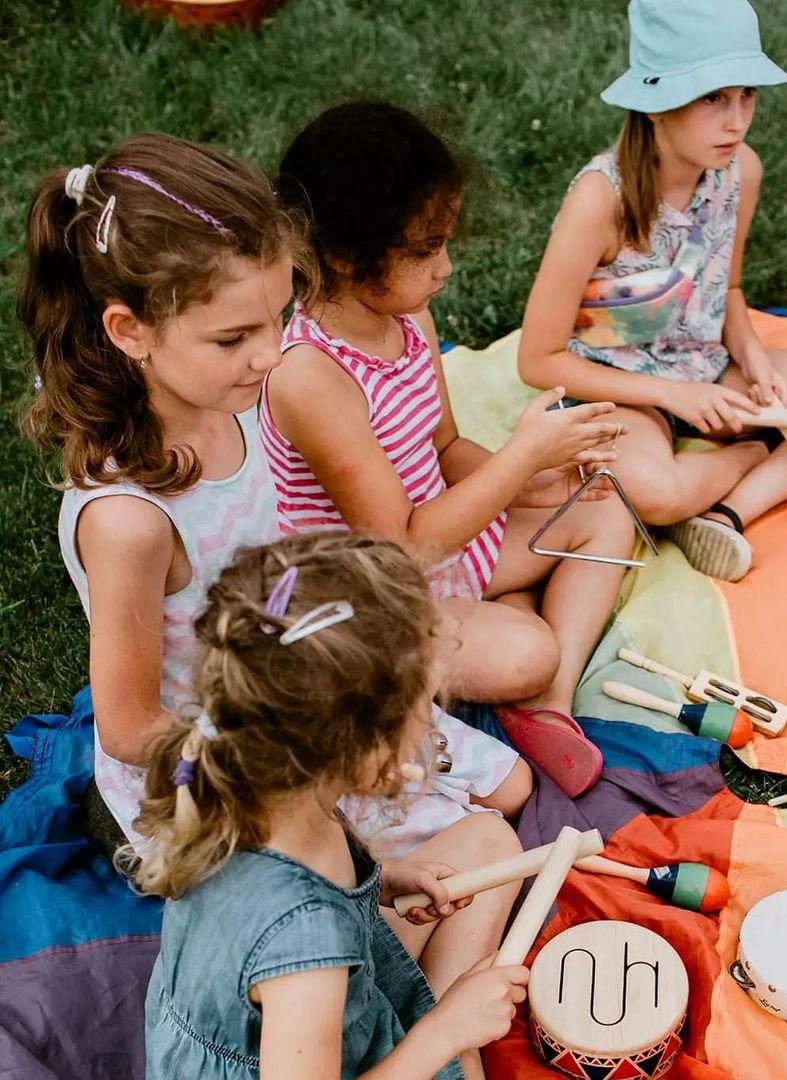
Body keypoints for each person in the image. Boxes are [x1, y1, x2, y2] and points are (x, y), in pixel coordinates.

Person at [265, 101, 637, 796]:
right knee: (528, 651)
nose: (448, 266)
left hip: (441, 535)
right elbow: (401, 549)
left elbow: (444, 446)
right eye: (425, 248)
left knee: (603, 510)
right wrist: (520, 460)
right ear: (346, 255)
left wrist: (531, 478)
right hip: (371, 597)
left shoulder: (408, 316)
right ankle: (527, 674)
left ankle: (547, 707)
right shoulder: (311, 376)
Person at [518, 0, 787, 582]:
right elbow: (538, 360)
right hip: (618, 391)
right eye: (712, 98)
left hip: (708, 370)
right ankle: (762, 452)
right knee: (655, 493)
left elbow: (726, 286)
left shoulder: (740, 171)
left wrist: (754, 359)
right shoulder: (599, 200)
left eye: (746, 96)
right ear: (655, 105)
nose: (737, 120)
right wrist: (677, 400)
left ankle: (732, 512)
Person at [136, 532, 526, 1080]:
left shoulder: (254, 786)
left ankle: (439, 1027)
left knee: (489, 843)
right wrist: (445, 1034)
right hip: (306, 1045)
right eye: (424, 711)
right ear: (365, 757)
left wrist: (384, 879)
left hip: (316, 1015)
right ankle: (443, 1036)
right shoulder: (307, 945)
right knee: (455, 1045)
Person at [18, 133, 304, 844]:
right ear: (131, 331)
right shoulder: (130, 523)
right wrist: (298, 759)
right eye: (233, 337)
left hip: (275, 697)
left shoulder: (235, 400)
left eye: (280, 317)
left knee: (491, 795)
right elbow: (129, 727)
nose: (272, 353)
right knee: (397, 882)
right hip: (203, 777)